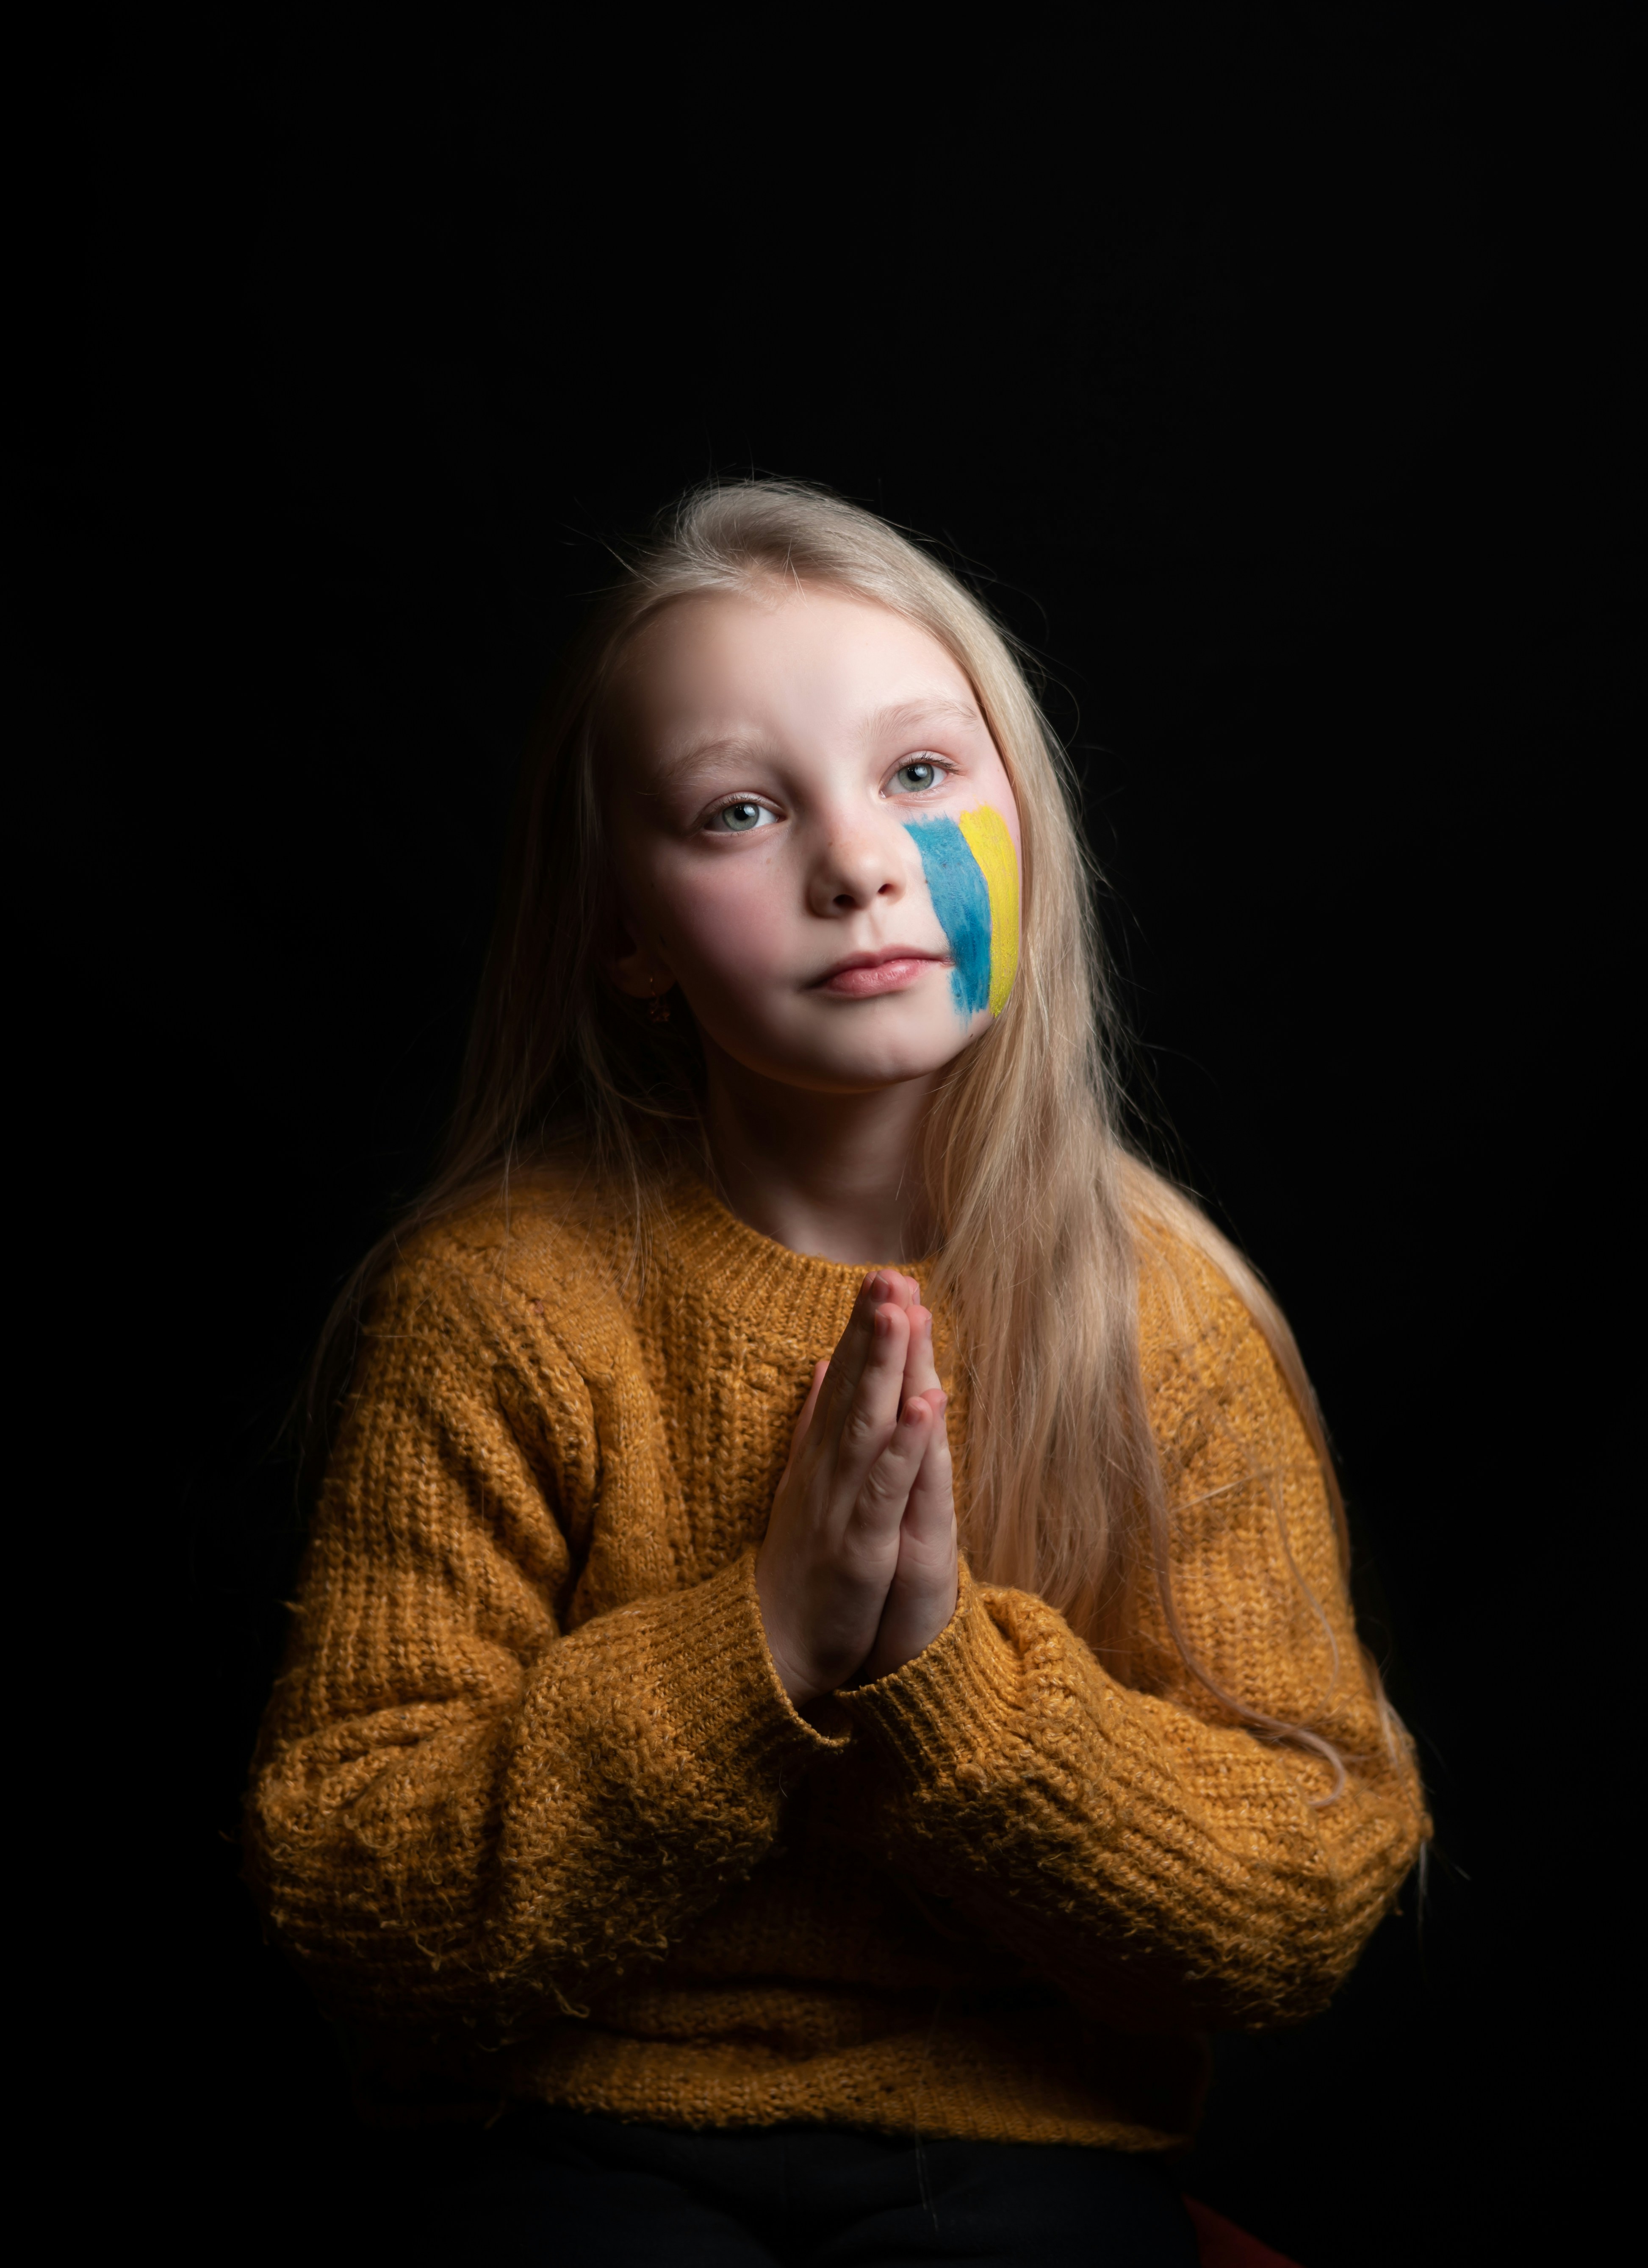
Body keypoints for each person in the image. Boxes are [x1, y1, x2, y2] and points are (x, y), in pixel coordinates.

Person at [245, 481, 1425, 2263]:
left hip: (1015, 2152)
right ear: (624, 938)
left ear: (1030, 816)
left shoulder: (1162, 1322)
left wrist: (938, 1674)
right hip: (572, 2135)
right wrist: (767, 1639)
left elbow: (1294, 1904)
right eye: (737, 807)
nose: (858, 862)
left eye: (922, 776)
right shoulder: (492, 1304)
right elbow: (353, 1895)